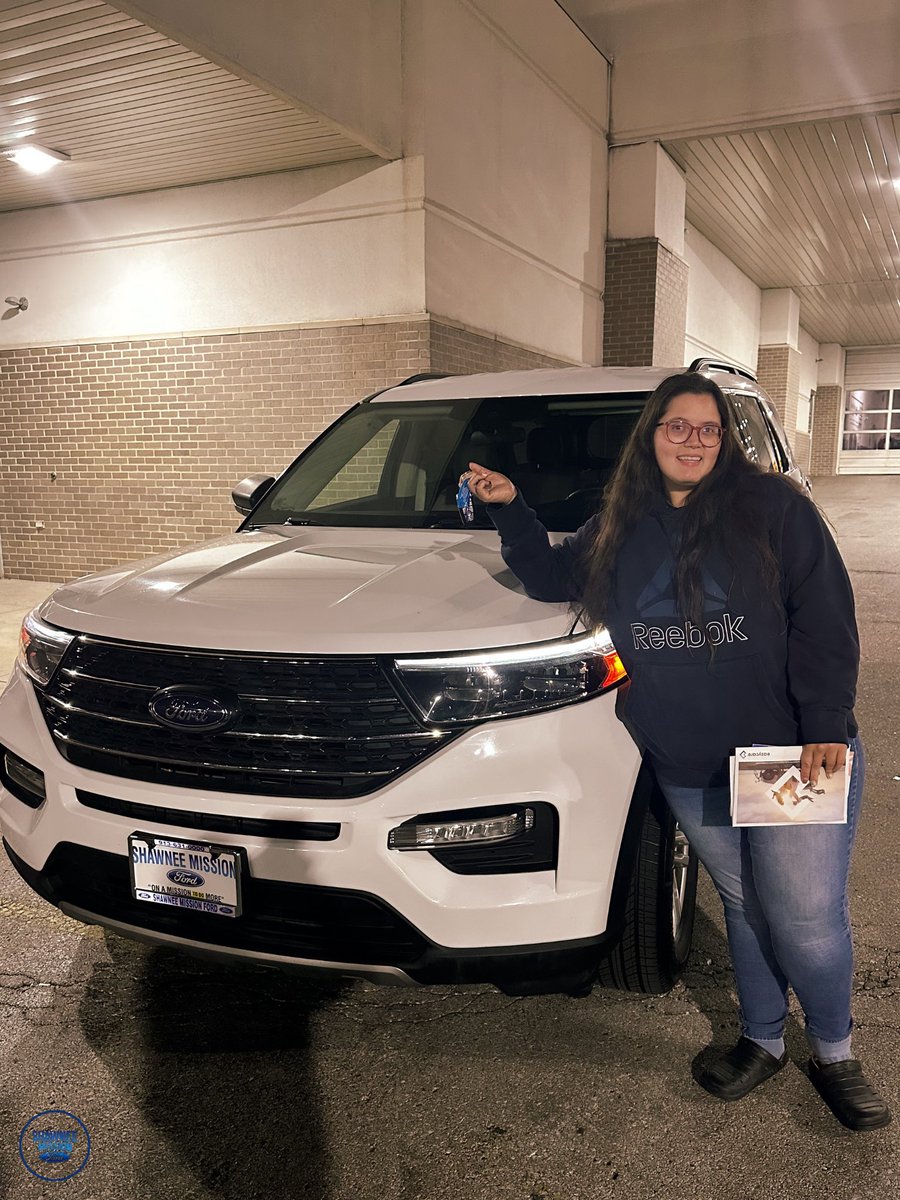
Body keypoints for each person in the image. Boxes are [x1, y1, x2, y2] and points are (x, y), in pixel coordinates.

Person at [464, 370, 890, 1132]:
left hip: (785, 755)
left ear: (724, 441)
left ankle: (835, 1051)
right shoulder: (619, 523)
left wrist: (826, 718)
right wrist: (511, 511)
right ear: (651, 437)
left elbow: (825, 613)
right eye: (676, 426)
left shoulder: (774, 509)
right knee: (744, 906)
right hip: (690, 762)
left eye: (708, 428)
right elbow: (552, 577)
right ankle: (763, 1040)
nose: (693, 439)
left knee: (804, 918)